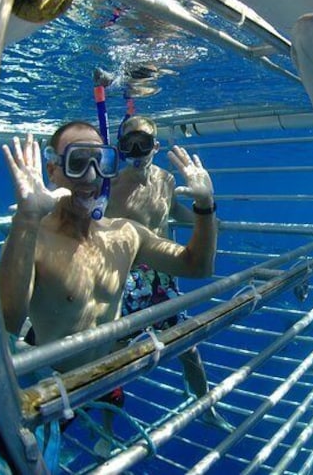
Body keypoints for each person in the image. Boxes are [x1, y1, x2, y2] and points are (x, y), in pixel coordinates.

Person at [0, 122, 218, 453]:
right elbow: (6, 323)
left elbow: (198, 266)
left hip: (103, 374)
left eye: (101, 161)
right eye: (77, 161)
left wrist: (205, 206)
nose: (90, 175)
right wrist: (26, 218)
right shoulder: (35, 239)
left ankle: (109, 433)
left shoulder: (125, 234)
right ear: (52, 170)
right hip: (49, 389)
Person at [107, 115, 233, 433]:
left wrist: (205, 219)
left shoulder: (165, 180)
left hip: (163, 276)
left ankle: (206, 406)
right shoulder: (110, 185)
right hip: (125, 280)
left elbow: (172, 212)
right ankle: (108, 429)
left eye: (144, 143)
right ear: (120, 149)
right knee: (113, 359)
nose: (137, 151)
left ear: (156, 146)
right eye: (129, 144)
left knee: (187, 346)